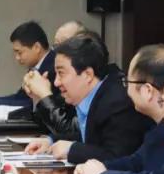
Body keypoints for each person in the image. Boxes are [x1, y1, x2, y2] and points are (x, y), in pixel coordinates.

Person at [73, 44, 164, 174]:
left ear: (147, 90)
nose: (125, 90)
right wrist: (97, 168)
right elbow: (137, 162)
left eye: (127, 82)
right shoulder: (158, 126)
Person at [24, 34, 151, 163]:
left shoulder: (117, 102)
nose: (56, 82)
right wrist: (51, 141)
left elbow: (116, 157)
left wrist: (72, 149)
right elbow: (90, 135)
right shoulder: (98, 94)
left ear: (88, 75)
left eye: (61, 73)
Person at [21, 21, 88, 137]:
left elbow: (71, 131)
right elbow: (52, 127)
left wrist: (44, 95)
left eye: (63, 45)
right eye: (56, 46)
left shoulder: (104, 94)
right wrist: (37, 97)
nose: (56, 82)